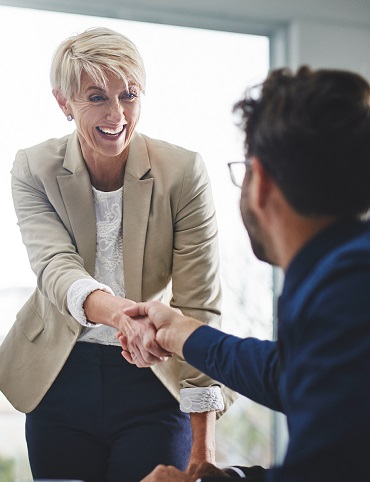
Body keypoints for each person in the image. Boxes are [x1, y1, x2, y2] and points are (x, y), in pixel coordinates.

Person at [0, 27, 235, 482]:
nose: (117, 114)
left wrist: (203, 451)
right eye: (95, 97)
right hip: (58, 378)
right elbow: (55, 267)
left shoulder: (183, 172)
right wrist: (125, 316)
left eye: (129, 94)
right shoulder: (34, 167)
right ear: (63, 102)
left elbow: (199, 306)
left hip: (153, 376)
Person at [119, 66, 370, 481]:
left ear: (261, 183)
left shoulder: (346, 289)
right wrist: (181, 331)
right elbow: (292, 374)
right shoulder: (343, 273)